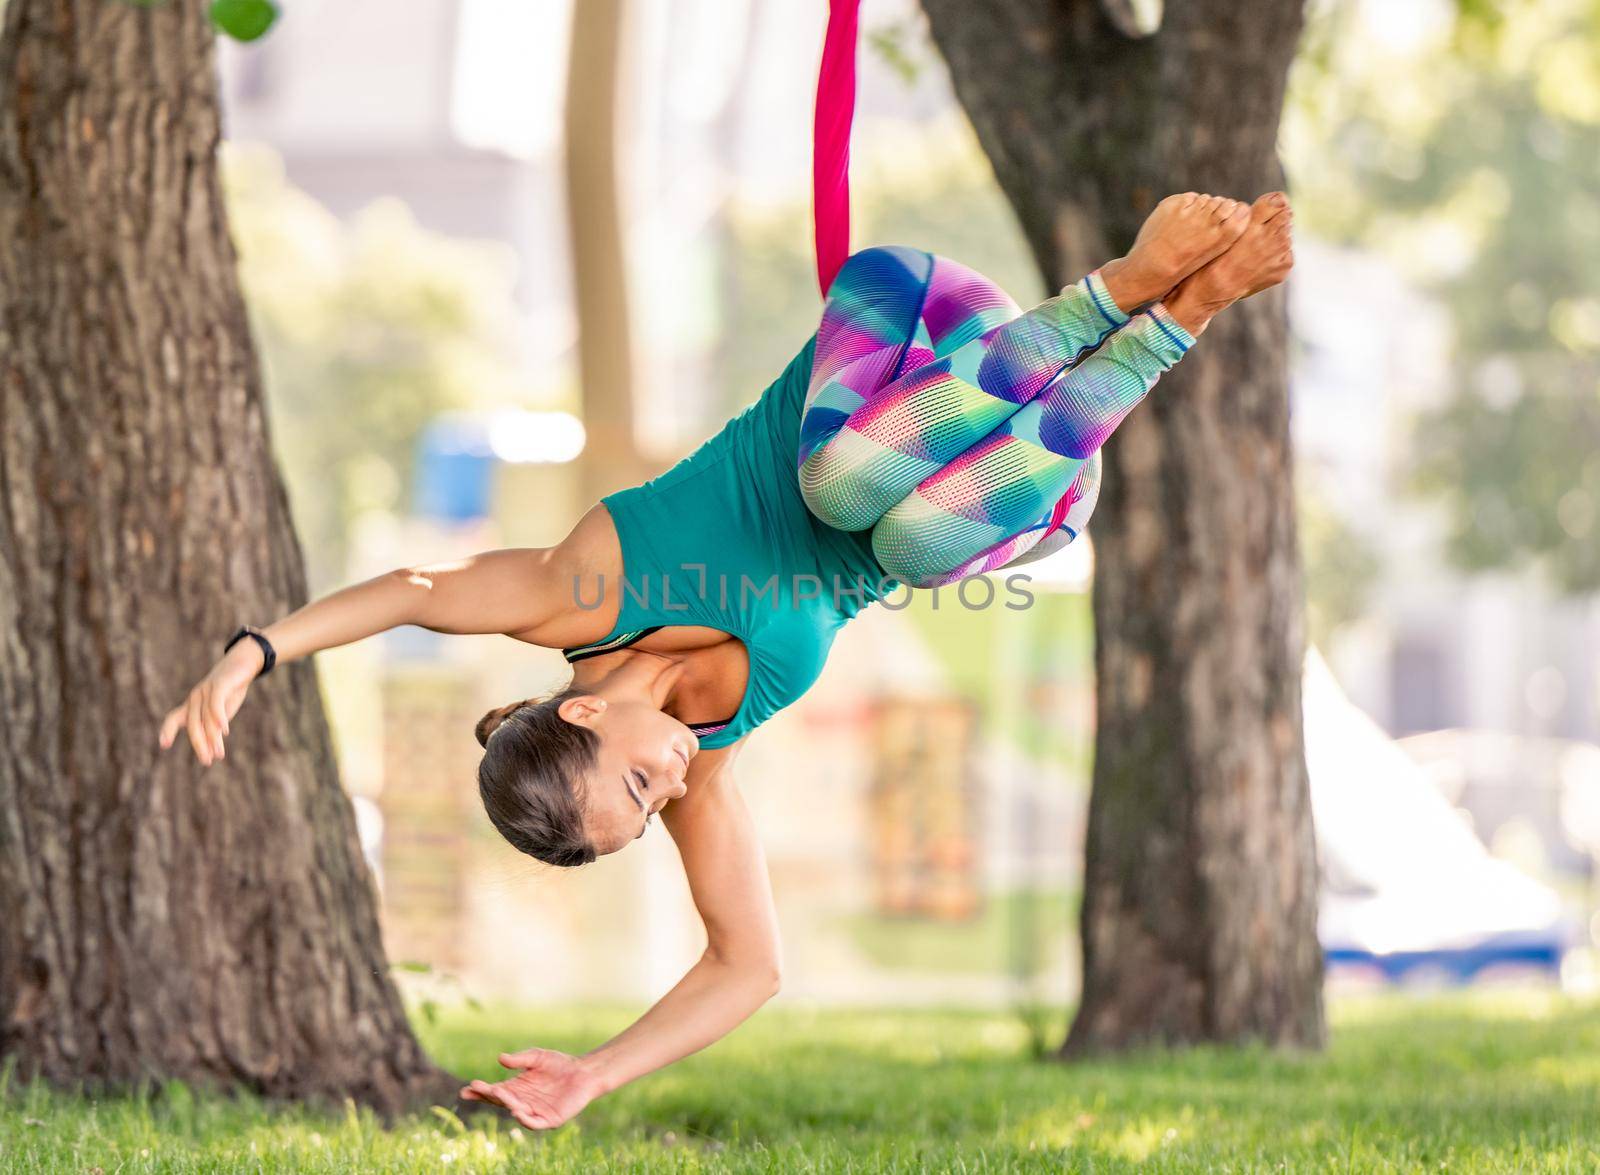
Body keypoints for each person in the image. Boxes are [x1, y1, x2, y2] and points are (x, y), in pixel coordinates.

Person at [157, 190, 1293, 1129]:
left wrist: (256, 650)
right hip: (1024, 478)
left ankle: (1123, 290)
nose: (677, 784)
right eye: (656, 810)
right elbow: (748, 964)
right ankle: (1177, 315)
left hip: (913, 330)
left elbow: (419, 590)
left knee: (840, 487)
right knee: (901, 539)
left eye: (640, 787)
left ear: (586, 718)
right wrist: (593, 1072)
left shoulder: (578, 591)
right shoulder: (710, 748)